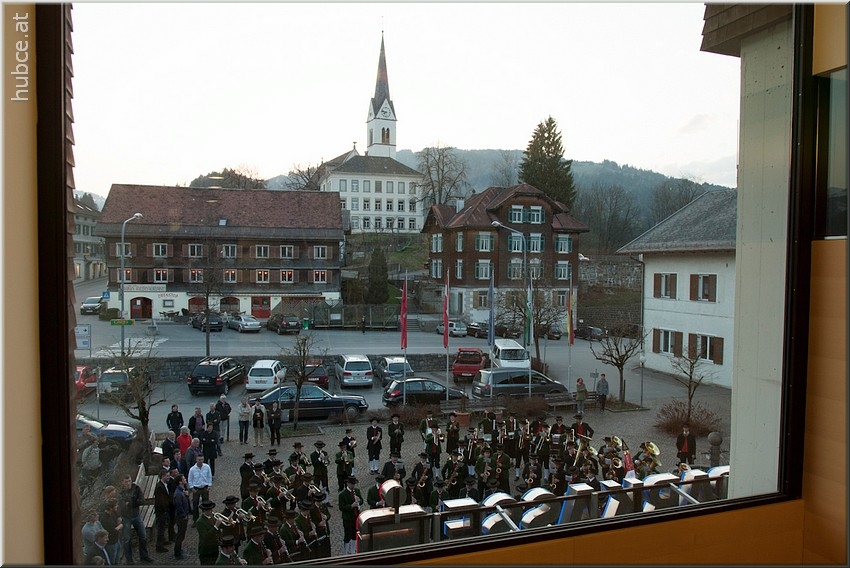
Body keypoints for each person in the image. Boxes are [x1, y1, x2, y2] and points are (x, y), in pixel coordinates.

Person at [119, 473, 152, 563]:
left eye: (129, 481)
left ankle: (144, 556)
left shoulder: (136, 488)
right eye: (126, 482)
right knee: (127, 540)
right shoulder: (121, 493)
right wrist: (134, 502)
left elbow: (142, 501)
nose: (128, 483)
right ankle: (129, 560)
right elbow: (122, 507)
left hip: (136, 515)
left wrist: (130, 503)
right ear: (122, 482)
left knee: (143, 536)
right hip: (126, 517)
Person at [338, 476, 363, 555]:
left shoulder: (357, 491)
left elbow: (362, 500)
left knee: (354, 534)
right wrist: (351, 506)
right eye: (352, 484)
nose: (353, 486)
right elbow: (341, 507)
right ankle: (345, 552)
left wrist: (359, 501)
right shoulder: (342, 494)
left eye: (354, 484)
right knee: (347, 535)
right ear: (348, 484)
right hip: (347, 518)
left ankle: (353, 551)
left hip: (356, 516)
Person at [188, 455, 213, 522]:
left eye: (202, 459)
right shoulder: (192, 469)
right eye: (199, 460)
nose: (201, 461)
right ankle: (195, 520)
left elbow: (209, 476)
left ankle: (206, 519)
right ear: (196, 460)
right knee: (195, 504)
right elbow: (190, 479)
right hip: (196, 489)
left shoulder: (207, 467)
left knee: (206, 504)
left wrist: (209, 485)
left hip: (205, 488)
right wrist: (192, 488)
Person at [195, 500, 220, 565]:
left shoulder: (212, 516)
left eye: (211, 509)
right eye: (209, 510)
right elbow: (205, 536)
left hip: (214, 547)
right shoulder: (200, 522)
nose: (211, 511)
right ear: (204, 510)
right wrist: (216, 526)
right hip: (206, 550)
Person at [98, 499, 123, 564]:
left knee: (117, 559)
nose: (117, 506)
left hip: (116, 540)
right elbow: (112, 531)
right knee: (112, 560)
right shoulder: (105, 519)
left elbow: (117, 516)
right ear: (111, 508)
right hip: (111, 543)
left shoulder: (112, 513)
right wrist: (120, 526)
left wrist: (119, 519)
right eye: (115, 505)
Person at [171, 474, 190, 560]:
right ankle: (177, 552)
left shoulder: (182, 491)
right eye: (183, 479)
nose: (185, 479)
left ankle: (179, 549)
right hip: (181, 517)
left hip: (183, 516)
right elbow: (179, 507)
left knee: (182, 534)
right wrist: (184, 515)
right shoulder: (178, 494)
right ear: (180, 482)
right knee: (180, 535)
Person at [153, 470, 171, 552]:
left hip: (163, 511)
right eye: (167, 476)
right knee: (161, 528)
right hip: (161, 511)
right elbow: (161, 501)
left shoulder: (163, 485)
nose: (168, 477)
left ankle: (163, 540)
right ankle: (159, 546)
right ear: (163, 476)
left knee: (162, 527)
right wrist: (165, 510)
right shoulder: (159, 487)